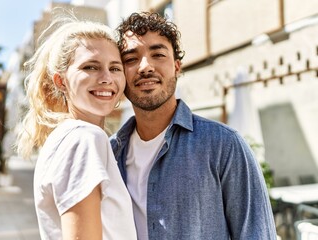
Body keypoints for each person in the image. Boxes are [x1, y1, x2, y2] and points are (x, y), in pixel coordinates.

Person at [110, 12, 277, 239]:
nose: (145, 67)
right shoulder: (110, 153)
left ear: (177, 67)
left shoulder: (224, 145)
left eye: (158, 54)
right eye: (130, 59)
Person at [16, 13, 137, 240]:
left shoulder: (64, 137)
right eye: (90, 67)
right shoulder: (84, 139)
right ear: (60, 81)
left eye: (115, 68)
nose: (106, 78)